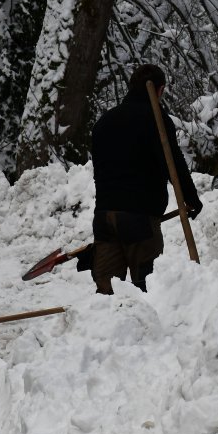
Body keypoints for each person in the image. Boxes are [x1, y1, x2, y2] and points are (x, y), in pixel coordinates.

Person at [86, 64, 203, 294]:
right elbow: (174, 164)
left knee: (107, 295)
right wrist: (191, 198)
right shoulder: (156, 120)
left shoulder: (104, 123)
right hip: (139, 221)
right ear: (160, 90)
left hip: (104, 218)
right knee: (145, 288)